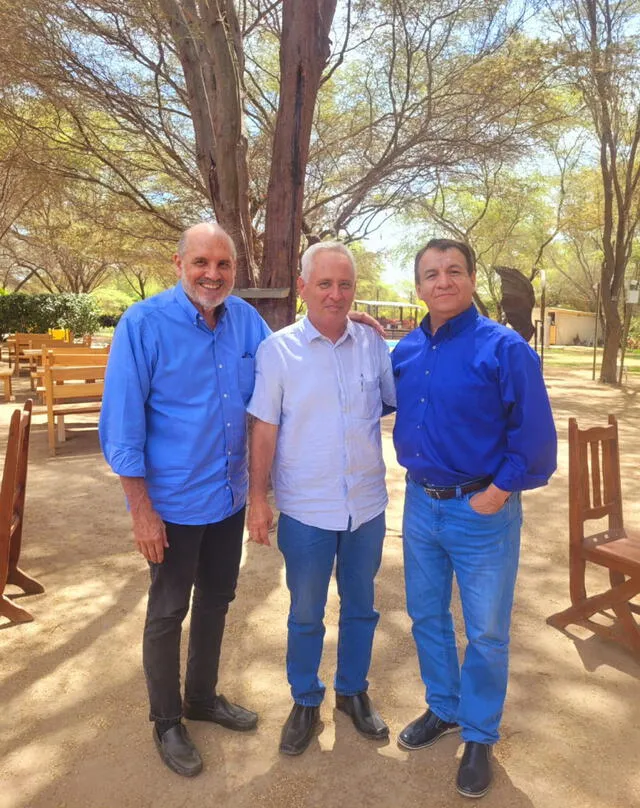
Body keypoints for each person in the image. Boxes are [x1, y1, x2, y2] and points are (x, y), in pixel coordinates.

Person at [99, 222, 271, 777]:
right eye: (201, 263)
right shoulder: (143, 325)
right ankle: (167, 720)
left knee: (218, 600)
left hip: (228, 497)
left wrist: (351, 325)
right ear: (179, 265)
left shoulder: (247, 321)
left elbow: (290, 366)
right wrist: (141, 512)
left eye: (223, 265)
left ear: (234, 270)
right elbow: (122, 428)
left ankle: (202, 698)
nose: (212, 275)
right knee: (168, 610)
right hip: (170, 505)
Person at [392, 238, 556, 799]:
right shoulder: (406, 351)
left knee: (486, 630)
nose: (443, 281)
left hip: (482, 509)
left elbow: (534, 435)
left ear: (470, 278)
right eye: (431, 273)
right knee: (427, 615)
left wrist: (501, 489)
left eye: (454, 271)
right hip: (420, 507)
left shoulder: (504, 348)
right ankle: (444, 708)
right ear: (418, 286)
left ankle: (480, 733)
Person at [247, 242, 396, 756]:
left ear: (355, 289)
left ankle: (352, 693)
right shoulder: (278, 350)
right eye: (325, 284)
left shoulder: (374, 346)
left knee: (361, 607)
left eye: (345, 284)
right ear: (303, 285)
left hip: (366, 507)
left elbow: (394, 401)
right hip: (306, 511)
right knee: (306, 612)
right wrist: (257, 498)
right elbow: (264, 429)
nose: (335, 294)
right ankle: (305, 699)